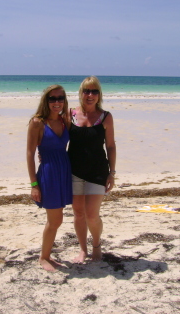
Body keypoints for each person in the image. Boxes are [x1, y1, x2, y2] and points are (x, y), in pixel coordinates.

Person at [67, 76, 116, 263]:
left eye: (94, 91)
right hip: (74, 171)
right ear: (81, 93)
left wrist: (112, 173)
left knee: (92, 215)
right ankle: (82, 250)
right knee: (78, 214)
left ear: (99, 95)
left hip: (97, 172)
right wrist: (44, 153)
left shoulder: (106, 117)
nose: (90, 95)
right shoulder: (70, 114)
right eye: (86, 91)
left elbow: (110, 146)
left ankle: (96, 245)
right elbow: (55, 135)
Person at [26, 84, 73, 272]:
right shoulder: (37, 122)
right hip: (49, 174)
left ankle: (47, 255)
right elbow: (30, 153)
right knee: (55, 220)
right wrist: (34, 185)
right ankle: (44, 257)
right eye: (52, 98)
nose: (56, 102)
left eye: (60, 98)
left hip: (64, 172)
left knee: (57, 219)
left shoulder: (65, 120)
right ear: (46, 100)